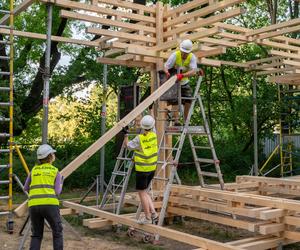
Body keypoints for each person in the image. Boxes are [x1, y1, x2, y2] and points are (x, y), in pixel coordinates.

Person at [24, 144, 64, 250]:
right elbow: (57, 192)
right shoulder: (55, 171)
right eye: (53, 154)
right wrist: (61, 183)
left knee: (36, 234)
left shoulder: (34, 170)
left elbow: (25, 188)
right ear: (50, 156)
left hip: (33, 205)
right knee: (57, 232)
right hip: (50, 204)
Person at [123, 115, 158, 224]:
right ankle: (154, 213)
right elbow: (152, 124)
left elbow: (127, 146)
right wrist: (151, 111)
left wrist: (125, 135)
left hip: (142, 170)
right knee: (145, 192)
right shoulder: (154, 135)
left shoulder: (139, 139)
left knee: (141, 193)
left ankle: (147, 217)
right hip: (152, 168)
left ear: (142, 126)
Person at [164, 39, 203, 125]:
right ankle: (176, 120)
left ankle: (186, 121)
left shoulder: (192, 57)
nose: (184, 54)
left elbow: (193, 71)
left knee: (188, 100)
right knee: (175, 100)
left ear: (189, 52)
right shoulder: (175, 55)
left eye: (186, 53)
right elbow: (166, 66)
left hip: (184, 81)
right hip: (174, 81)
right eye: (183, 52)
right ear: (181, 50)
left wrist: (182, 75)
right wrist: (167, 72)